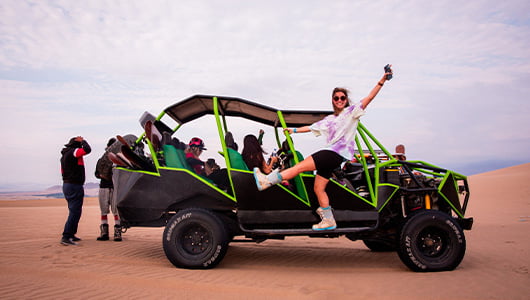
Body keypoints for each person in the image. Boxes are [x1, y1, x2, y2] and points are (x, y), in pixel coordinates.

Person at [253, 66, 393, 231]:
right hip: (332, 155)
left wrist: (382, 81)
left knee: (299, 167)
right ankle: (329, 220)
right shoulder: (329, 119)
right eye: (336, 98)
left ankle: (266, 181)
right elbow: (312, 127)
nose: (340, 100)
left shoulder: (352, 112)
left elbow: (369, 97)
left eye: (342, 98)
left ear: (346, 100)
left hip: (334, 153)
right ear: (333, 100)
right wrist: (294, 130)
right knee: (318, 188)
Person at [60, 136, 91, 245]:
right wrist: (83, 141)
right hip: (74, 185)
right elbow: (87, 149)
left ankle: (71, 234)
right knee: (74, 212)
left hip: (68, 185)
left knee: (75, 211)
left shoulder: (64, 156)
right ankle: (66, 236)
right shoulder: (73, 152)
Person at [95, 138, 122, 242]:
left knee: (106, 211)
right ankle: (115, 234)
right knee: (113, 211)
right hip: (111, 187)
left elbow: (97, 174)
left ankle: (105, 233)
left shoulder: (102, 160)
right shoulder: (117, 159)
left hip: (105, 187)